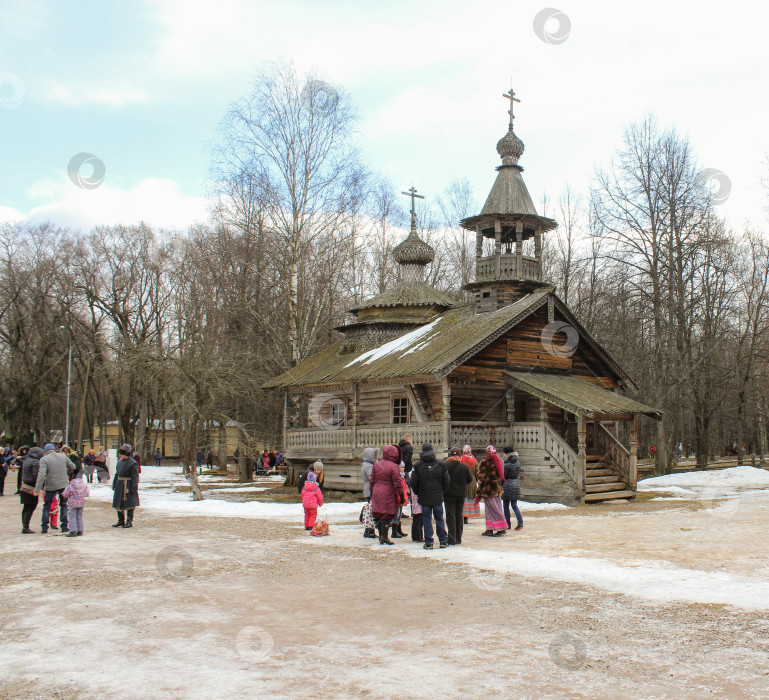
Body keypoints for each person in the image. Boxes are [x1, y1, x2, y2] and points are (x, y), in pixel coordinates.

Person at [410, 442, 450, 550]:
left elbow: (413, 482)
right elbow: (446, 481)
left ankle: (428, 541)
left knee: (426, 519)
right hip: (437, 496)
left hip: (424, 496)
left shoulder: (417, 466)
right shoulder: (441, 464)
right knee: (439, 518)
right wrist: (442, 491)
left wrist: (418, 492)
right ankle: (443, 540)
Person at [34, 443, 77, 534]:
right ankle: (64, 526)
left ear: (45, 451)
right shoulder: (63, 457)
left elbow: (41, 475)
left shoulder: (44, 459)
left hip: (51, 485)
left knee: (47, 506)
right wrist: (66, 473)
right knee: (64, 504)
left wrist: (37, 489)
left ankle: (44, 527)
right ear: (54, 449)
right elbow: (73, 467)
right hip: (63, 484)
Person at [370, 444, 404, 546]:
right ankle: (384, 536)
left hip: (377, 489)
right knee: (387, 514)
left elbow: (372, 479)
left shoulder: (377, 464)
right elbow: (397, 482)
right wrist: (401, 495)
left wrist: (372, 491)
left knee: (379, 513)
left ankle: (381, 535)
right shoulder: (394, 466)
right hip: (388, 491)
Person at [476, 445, 507, 537]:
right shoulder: (500, 460)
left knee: (492, 509)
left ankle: (501, 528)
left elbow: (481, 476)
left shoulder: (485, 462)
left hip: (488, 488)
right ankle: (490, 528)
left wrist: (479, 476)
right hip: (497, 487)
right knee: (497, 507)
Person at [444, 446, 472, 545]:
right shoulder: (464, 467)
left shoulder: (446, 466)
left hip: (449, 494)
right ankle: (458, 538)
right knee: (459, 515)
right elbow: (469, 480)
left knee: (450, 516)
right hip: (460, 494)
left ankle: (451, 538)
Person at [112, 444, 140, 528]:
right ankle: (121, 521)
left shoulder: (133, 463)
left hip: (128, 485)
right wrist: (114, 483)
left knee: (130, 504)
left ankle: (129, 521)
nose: (120, 455)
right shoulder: (119, 462)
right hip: (119, 484)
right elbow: (116, 474)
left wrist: (134, 487)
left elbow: (135, 476)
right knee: (118, 503)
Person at [19, 446, 43, 533]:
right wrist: (41, 484)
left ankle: (24, 525)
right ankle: (26, 527)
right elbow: (36, 475)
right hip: (31, 486)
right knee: (31, 506)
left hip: (25, 485)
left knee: (26, 506)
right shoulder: (36, 462)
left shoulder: (26, 460)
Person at [62, 468, 90, 537]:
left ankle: (73, 531)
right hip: (81, 503)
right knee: (79, 516)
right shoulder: (84, 485)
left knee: (72, 516)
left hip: (73, 503)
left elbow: (65, 494)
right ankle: (80, 531)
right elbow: (86, 494)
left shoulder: (70, 486)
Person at [502, 447, 523, 531]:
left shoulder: (506, 464)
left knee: (506, 506)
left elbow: (504, 476)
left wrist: (500, 484)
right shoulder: (518, 463)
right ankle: (520, 522)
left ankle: (507, 524)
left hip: (507, 485)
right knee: (514, 505)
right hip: (516, 484)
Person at [389, 464, 409, 539]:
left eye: (404, 467)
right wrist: (400, 497)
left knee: (399, 514)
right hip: (398, 498)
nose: (403, 469)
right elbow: (398, 489)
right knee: (396, 514)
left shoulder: (402, 477)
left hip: (402, 497)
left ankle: (398, 530)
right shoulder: (397, 477)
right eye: (401, 467)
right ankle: (394, 532)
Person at [360, 447, 377, 539]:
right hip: (370, 490)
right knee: (371, 511)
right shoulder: (368, 466)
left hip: (368, 489)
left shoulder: (366, 465)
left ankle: (370, 530)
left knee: (370, 510)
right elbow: (372, 478)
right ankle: (369, 531)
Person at [461, 445, 480, 523]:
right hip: (472, 482)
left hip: (463, 482)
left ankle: (462, 516)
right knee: (469, 499)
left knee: (463, 499)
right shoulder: (474, 460)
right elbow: (477, 472)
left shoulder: (461, 459)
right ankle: (466, 518)